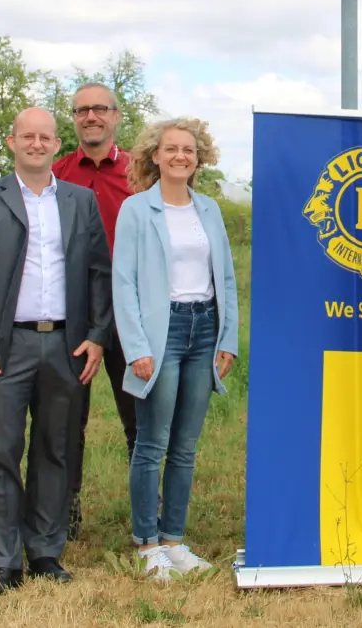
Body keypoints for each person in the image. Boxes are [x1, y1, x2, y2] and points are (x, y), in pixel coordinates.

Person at [0, 107, 112, 595]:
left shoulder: (80, 201)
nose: (37, 144)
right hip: (6, 345)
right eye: (28, 136)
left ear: (56, 143)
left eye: (45, 137)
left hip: (66, 343)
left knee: (55, 450)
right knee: (0, 453)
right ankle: (2, 562)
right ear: (12, 142)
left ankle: (44, 552)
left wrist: (98, 334)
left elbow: (98, 272)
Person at [113, 117, 240, 581]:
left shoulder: (208, 210)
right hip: (159, 333)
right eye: (171, 149)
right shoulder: (135, 210)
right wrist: (136, 347)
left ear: (198, 157)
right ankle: (147, 545)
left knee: (185, 447)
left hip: (204, 328)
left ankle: (175, 541)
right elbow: (123, 282)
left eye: (189, 150)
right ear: (155, 156)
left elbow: (224, 277)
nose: (180, 156)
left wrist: (228, 338)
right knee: (152, 443)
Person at [51, 82, 138, 540]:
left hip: (130, 311)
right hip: (73, 311)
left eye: (100, 108)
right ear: (74, 118)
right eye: (82, 110)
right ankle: (65, 511)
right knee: (66, 420)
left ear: (116, 116)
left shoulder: (142, 174)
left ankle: (147, 511)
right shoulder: (57, 173)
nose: (91, 117)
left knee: (139, 418)